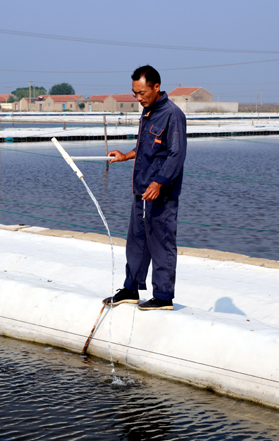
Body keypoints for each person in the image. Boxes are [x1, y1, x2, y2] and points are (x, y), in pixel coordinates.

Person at [104, 65, 187, 311]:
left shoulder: (173, 114)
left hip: (162, 193)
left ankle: (163, 296)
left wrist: (159, 182)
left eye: (142, 93)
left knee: (161, 242)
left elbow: (176, 154)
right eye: (135, 94)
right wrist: (125, 155)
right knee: (136, 240)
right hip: (141, 190)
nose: (138, 98)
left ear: (156, 87)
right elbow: (146, 148)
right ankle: (131, 288)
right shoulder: (148, 112)